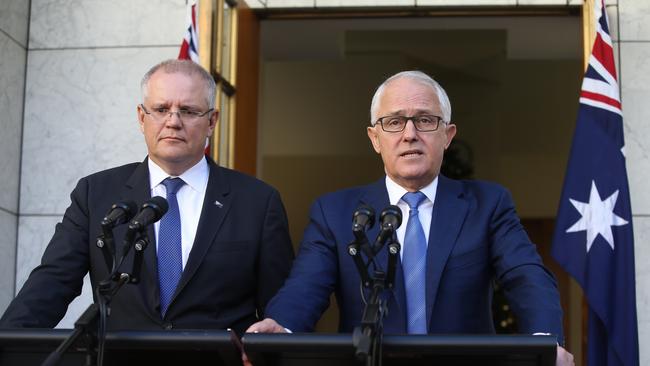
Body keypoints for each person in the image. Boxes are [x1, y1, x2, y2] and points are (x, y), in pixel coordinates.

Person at [247, 71, 574, 365]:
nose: (409, 134)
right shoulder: (335, 212)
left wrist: (544, 342)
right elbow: (306, 286)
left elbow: (526, 276)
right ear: (375, 139)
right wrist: (283, 327)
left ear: (447, 135)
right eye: (394, 122)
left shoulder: (488, 205)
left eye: (425, 120)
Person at [0, 59, 294, 334]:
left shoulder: (257, 201)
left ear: (212, 121)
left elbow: (281, 309)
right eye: (162, 109)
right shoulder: (95, 193)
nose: (173, 121)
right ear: (142, 118)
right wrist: (8, 344)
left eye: (189, 111)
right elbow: (52, 283)